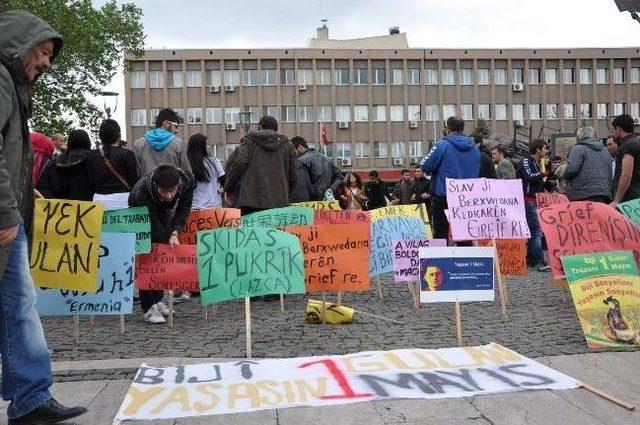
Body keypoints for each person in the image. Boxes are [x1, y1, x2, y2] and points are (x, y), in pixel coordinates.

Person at [0, 10, 88, 423]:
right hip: (5, 218)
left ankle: (31, 395)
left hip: (11, 209)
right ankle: (32, 396)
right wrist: (6, 210)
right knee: (20, 302)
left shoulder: (11, 85)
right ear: (21, 44)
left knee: (18, 303)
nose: (48, 63)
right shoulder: (2, 80)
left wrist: (21, 192)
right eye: (45, 52)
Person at [128, 165, 194, 323]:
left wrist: (175, 232)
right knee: (149, 252)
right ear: (156, 186)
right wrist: (165, 238)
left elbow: (184, 209)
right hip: (141, 210)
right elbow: (154, 226)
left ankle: (158, 299)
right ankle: (148, 306)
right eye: (164, 192)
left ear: (178, 184)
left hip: (163, 210)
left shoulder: (188, 182)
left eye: (172, 191)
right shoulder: (141, 192)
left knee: (162, 250)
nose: (169, 195)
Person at [422, 116, 480, 241]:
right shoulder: (474, 148)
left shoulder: (442, 145)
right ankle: (465, 260)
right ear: (462, 128)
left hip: (444, 197)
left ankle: (442, 260)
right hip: (467, 198)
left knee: (440, 235)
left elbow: (425, 165)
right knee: (464, 235)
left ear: (447, 129)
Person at [224, 115, 297, 215]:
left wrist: (228, 188)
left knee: (253, 231)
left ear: (259, 127)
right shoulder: (288, 145)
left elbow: (239, 163)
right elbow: (294, 175)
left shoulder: (249, 141)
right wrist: (287, 194)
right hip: (279, 201)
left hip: (250, 200)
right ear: (276, 129)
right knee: (275, 230)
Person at [87, 119, 138, 210]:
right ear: (118, 135)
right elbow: (134, 180)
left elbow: (90, 181)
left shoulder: (92, 155)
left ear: (101, 136)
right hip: (124, 199)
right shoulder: (127, 154)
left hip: (99, 200)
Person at [517, 139, 551, 272]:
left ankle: (531, 258)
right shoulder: (526, 161)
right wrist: (543, 174)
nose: (546, 151)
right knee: (536, 230)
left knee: (533, 230)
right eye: (544, 148)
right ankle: (539, 260)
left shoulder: (535, 162)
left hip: (535, 199)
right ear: (538, 149)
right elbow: (530, 177)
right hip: (528, 199)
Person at [37, 129, 94, 201]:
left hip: (62, 205)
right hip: (90, 204)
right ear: (87, 141)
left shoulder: (57, 160)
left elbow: (53, 186)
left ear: (69, 142)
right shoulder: (93, 157)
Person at [133, 108, 191, 176]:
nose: (176, 130)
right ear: (166, 124)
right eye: (175, 126)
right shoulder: (178, 144)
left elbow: (136, 173)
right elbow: (187, 173)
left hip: (147, 185)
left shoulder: (138, 144)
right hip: (172, 185)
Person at [562, 126, 612, 203]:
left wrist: (563, 174)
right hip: (604, 193)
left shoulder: (577, 149)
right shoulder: (605, 150)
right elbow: (609, 172)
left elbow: (571, 170)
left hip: (582, 194)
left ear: (579, 137)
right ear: (594, 135)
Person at [292, 136, 342, 200]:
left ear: (299, 147)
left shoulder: (300, 161)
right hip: (327, 201)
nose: (292, 154)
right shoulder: (327, 159)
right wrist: (331, 189)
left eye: (293, 150)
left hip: (310, 202)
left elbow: (300, 186)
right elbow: (340, 176)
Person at [187, 133, 226, 209]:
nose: (208, 147)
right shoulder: (214, 161)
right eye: (206, 144)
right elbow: (223, 180)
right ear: (201, 146)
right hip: (214, 206)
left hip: (194, 206)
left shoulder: (187, 163)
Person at [610, 114, 640, 206]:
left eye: (614, 130)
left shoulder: (627, 146)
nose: (613, 133)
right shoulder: (636, 143)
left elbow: (626, 174)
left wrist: (617, 200)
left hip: (628, 200)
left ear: (619, 128)